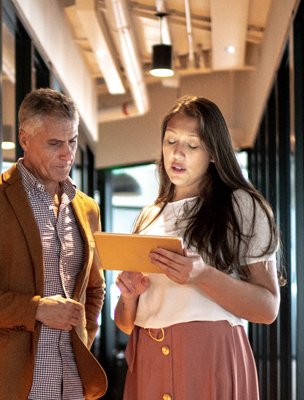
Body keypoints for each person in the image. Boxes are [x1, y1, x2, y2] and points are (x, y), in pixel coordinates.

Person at [0, 88, 107, 400]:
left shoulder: (87, 208)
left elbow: (95, 288)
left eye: (71, 141)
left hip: (71, 384)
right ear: (25, 139)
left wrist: (84, 337)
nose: (67, 154)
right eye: (54, 143)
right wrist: (36, 309)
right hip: (8, 384)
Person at [114, 95, 285, 400]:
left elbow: (268, 307)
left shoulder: (242, 205)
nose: (177, 154)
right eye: (170, 141)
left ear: (214, 153)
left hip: (211, 358)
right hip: (148, 358)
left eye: (192, 145)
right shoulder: (148, 216)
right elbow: (127, 323)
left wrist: (203, 275)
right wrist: (129, 297)